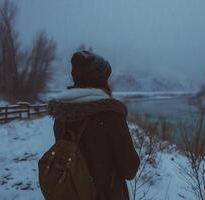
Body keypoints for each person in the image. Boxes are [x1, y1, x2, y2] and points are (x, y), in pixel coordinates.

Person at [47, 51, 140, 200]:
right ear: (100, 81)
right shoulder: (112, 116)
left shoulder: (62, 117)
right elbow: (130, 169)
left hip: (72, 193)